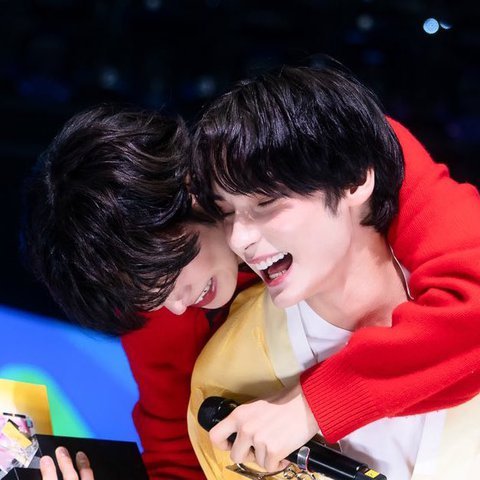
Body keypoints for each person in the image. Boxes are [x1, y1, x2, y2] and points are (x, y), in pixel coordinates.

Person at [22, 95, 480, 478]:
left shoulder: (327, 150)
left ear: (188, 190)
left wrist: (313, 407)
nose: (175, 306)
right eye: (146, 295)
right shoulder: (159, 308)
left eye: (165, 273)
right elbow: (180, 461)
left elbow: (471, 300)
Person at [187, 65, 480, 478]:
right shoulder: (225, 384)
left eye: (266, 202)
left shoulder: (455, 266)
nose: (239, 238)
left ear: (355, 180)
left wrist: (316, 405)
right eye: (227, 213)